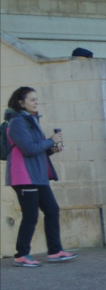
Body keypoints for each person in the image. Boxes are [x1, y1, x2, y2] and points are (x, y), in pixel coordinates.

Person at [5, 87, 76, 267]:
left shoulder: (31, 120)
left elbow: (38, 148)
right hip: (24, 175)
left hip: (38, 175)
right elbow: (29, 148)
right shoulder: (17, 122)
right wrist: (51, 140)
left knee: (52, 210)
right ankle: (22, 255)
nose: (36, 102)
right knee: (31, 215)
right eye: (32, 99)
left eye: (36, 99)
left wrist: (52, 148)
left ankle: (55, 251)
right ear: (21, 102)